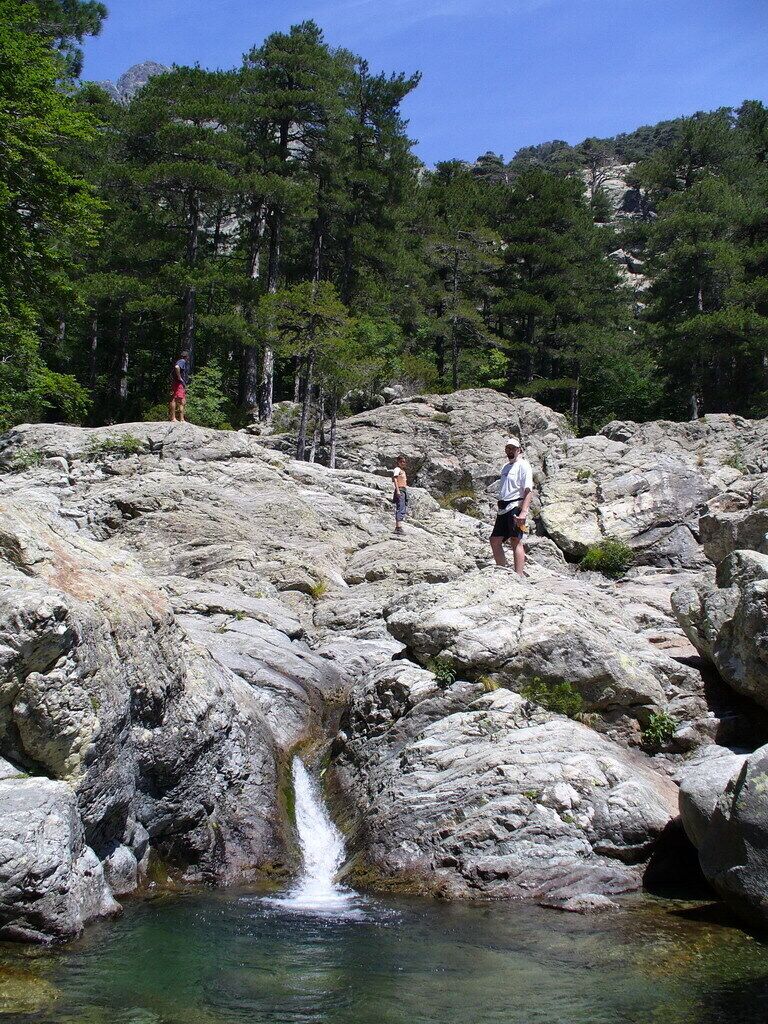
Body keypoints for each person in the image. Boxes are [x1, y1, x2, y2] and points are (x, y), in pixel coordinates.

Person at [490, 436, 533, 575]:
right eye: (507, 448)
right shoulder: (505, 467)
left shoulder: (523, 465)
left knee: (515, 540)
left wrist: (524, 512)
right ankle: (502, 571)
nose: (509, 451)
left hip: (515, 505)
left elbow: (528, 490)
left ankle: (519, 575)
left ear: (519, 450)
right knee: (495, 540)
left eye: (513, 448)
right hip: (503, 508)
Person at [169, 350, 189, 422]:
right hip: (178, 383)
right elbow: (177, 367)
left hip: (176, 383)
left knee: (176, 399)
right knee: (181, 400)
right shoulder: (182, 361)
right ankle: (180, 419)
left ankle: (176, 418)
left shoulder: (180, 360)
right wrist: (179, 377)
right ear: (187, 357)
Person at [392, 455, 408, 537]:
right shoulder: (397, 469)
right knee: (400, 508)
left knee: (402, 507)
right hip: (400, 490)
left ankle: (398, 527)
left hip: (403, 491)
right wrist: (397, 490)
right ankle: (398, 528)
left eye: (404, 462)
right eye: (401, 461)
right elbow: (395, 479)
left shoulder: (402, 471)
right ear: (398, 462)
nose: (403, 463)